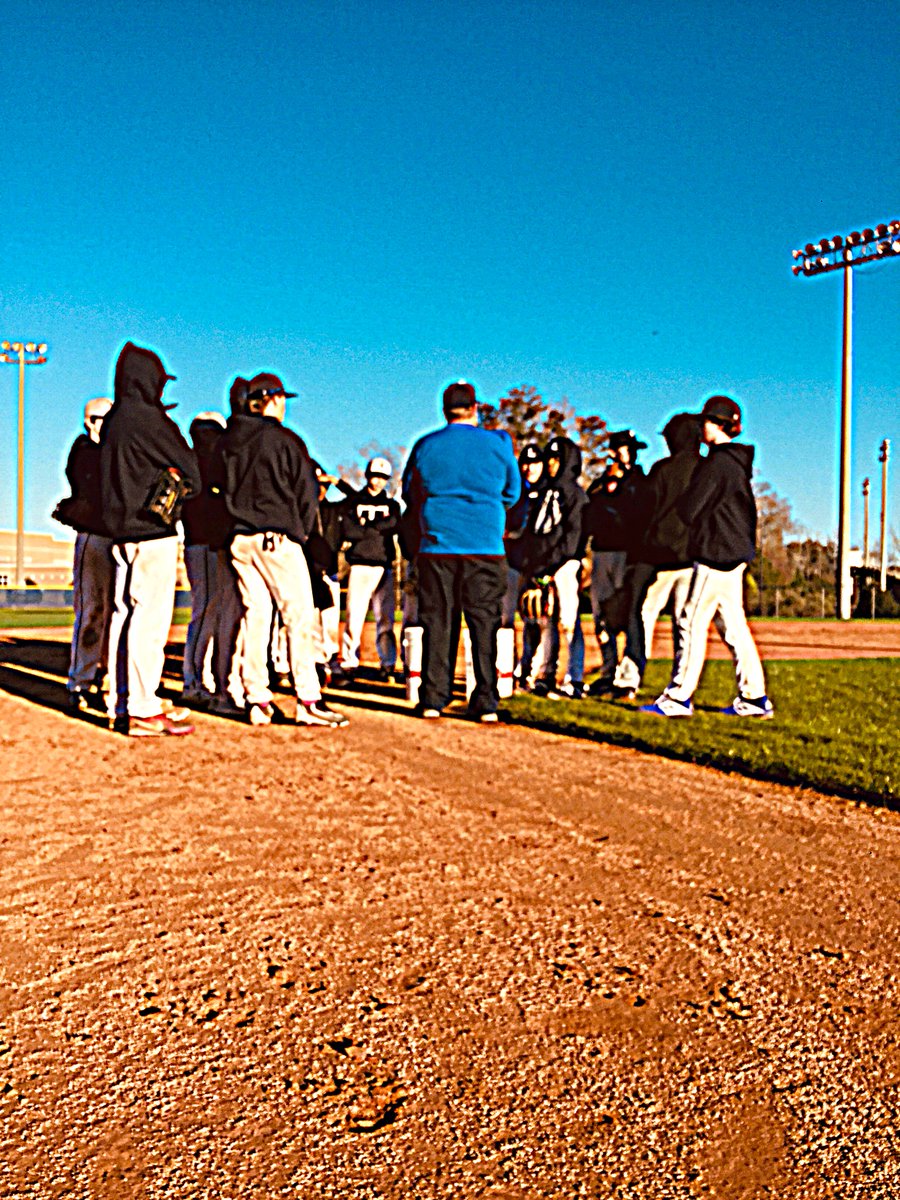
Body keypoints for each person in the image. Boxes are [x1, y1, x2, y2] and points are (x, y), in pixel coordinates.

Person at [211, 371, 348, 727]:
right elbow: (306, 494)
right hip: (277, 538)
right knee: (298, 617)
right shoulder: (284, 439)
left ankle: (257, 699)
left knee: (256, 618)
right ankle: (308, 699)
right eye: (281, 398)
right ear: (269, 400)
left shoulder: (228, 441)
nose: (284, 404)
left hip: (240, 540)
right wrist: (299, 534)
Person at [640, 395, 774, 719]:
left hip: (716, 554)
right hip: (734, 553)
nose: (702, 427)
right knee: (733, 626)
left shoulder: (717, 462)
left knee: (690, 619)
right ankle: (754, 697)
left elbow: (689, 508)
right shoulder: (736, 461)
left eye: (706, 421)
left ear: (716, 424)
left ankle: (678, 696)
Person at [401, 380, 520, 721]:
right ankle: (485, 701)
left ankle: (434, 698)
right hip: (484, 544)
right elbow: (511, 492)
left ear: (444, 409)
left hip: (438, 543)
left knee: (438, 620)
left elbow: (411, 491)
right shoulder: (497, 445)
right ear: (474, 408)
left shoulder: (426, 445)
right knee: (484, 622)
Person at [100, 342, 201, 736]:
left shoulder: (114, 421)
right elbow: (192, 471)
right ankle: (143, 708)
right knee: (149, 619)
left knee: (125, 615)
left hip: (119, 533)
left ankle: (122, 701)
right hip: (152, 531)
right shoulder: (151, 420)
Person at [611, 413, 702, 697]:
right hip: (691, 559)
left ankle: (629, 678)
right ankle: (680, 685)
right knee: (684, 623)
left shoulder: (662, 470)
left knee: (643, 616)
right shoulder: (705, 469)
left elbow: (642, 512)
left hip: (657, 559)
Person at [54, 397, 115, 712]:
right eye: (104, 418)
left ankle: (106, 677)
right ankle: (81, 681)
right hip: (94, 538)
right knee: (92, 611)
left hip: (116, 538)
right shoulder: (85, 450)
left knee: (115, 613)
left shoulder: (111, 450)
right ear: (90, 421)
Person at [519, 436, 587, 698]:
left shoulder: (574, 493)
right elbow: (536, 535)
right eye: (549, 458)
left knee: (568, 622)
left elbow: (573, 535)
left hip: (565, 565)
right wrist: (537, 568)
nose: (551, 464)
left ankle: (575, 678)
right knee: (546, 622)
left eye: (557, 459)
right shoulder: (546, 491)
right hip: (544, 567)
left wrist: (554, 565)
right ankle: (546, 674)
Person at [583, 429, 646, 695]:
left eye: (631, 448)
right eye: (623, 447)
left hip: (628, 555)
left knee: (630, 615)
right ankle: (608, 671)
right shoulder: (600, 484)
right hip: (601, 553)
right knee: (602, 617)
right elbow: (588, 514)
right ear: (612, 451)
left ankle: (630, 677)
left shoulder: (641, 481)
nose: (628, 452)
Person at [337, 457, 400, 681]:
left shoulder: (392, 505)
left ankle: (388, 663)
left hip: (384, 567)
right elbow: (348, 530)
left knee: (386, 618)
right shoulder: (353, 502)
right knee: (355, 616)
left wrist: (366, 526)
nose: (379, 481)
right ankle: (348, 662)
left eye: (383, 478)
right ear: (367, 475)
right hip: (360, 565)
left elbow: (393, 524)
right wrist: (374, 528)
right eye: (375, 476)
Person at [182, 411, 228, 706]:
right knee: (207, 610)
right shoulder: (204, 465)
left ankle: (203, 677)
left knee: (212, 612)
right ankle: (194, 680)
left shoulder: (191, 462)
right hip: (204, 544)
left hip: (204, 544)